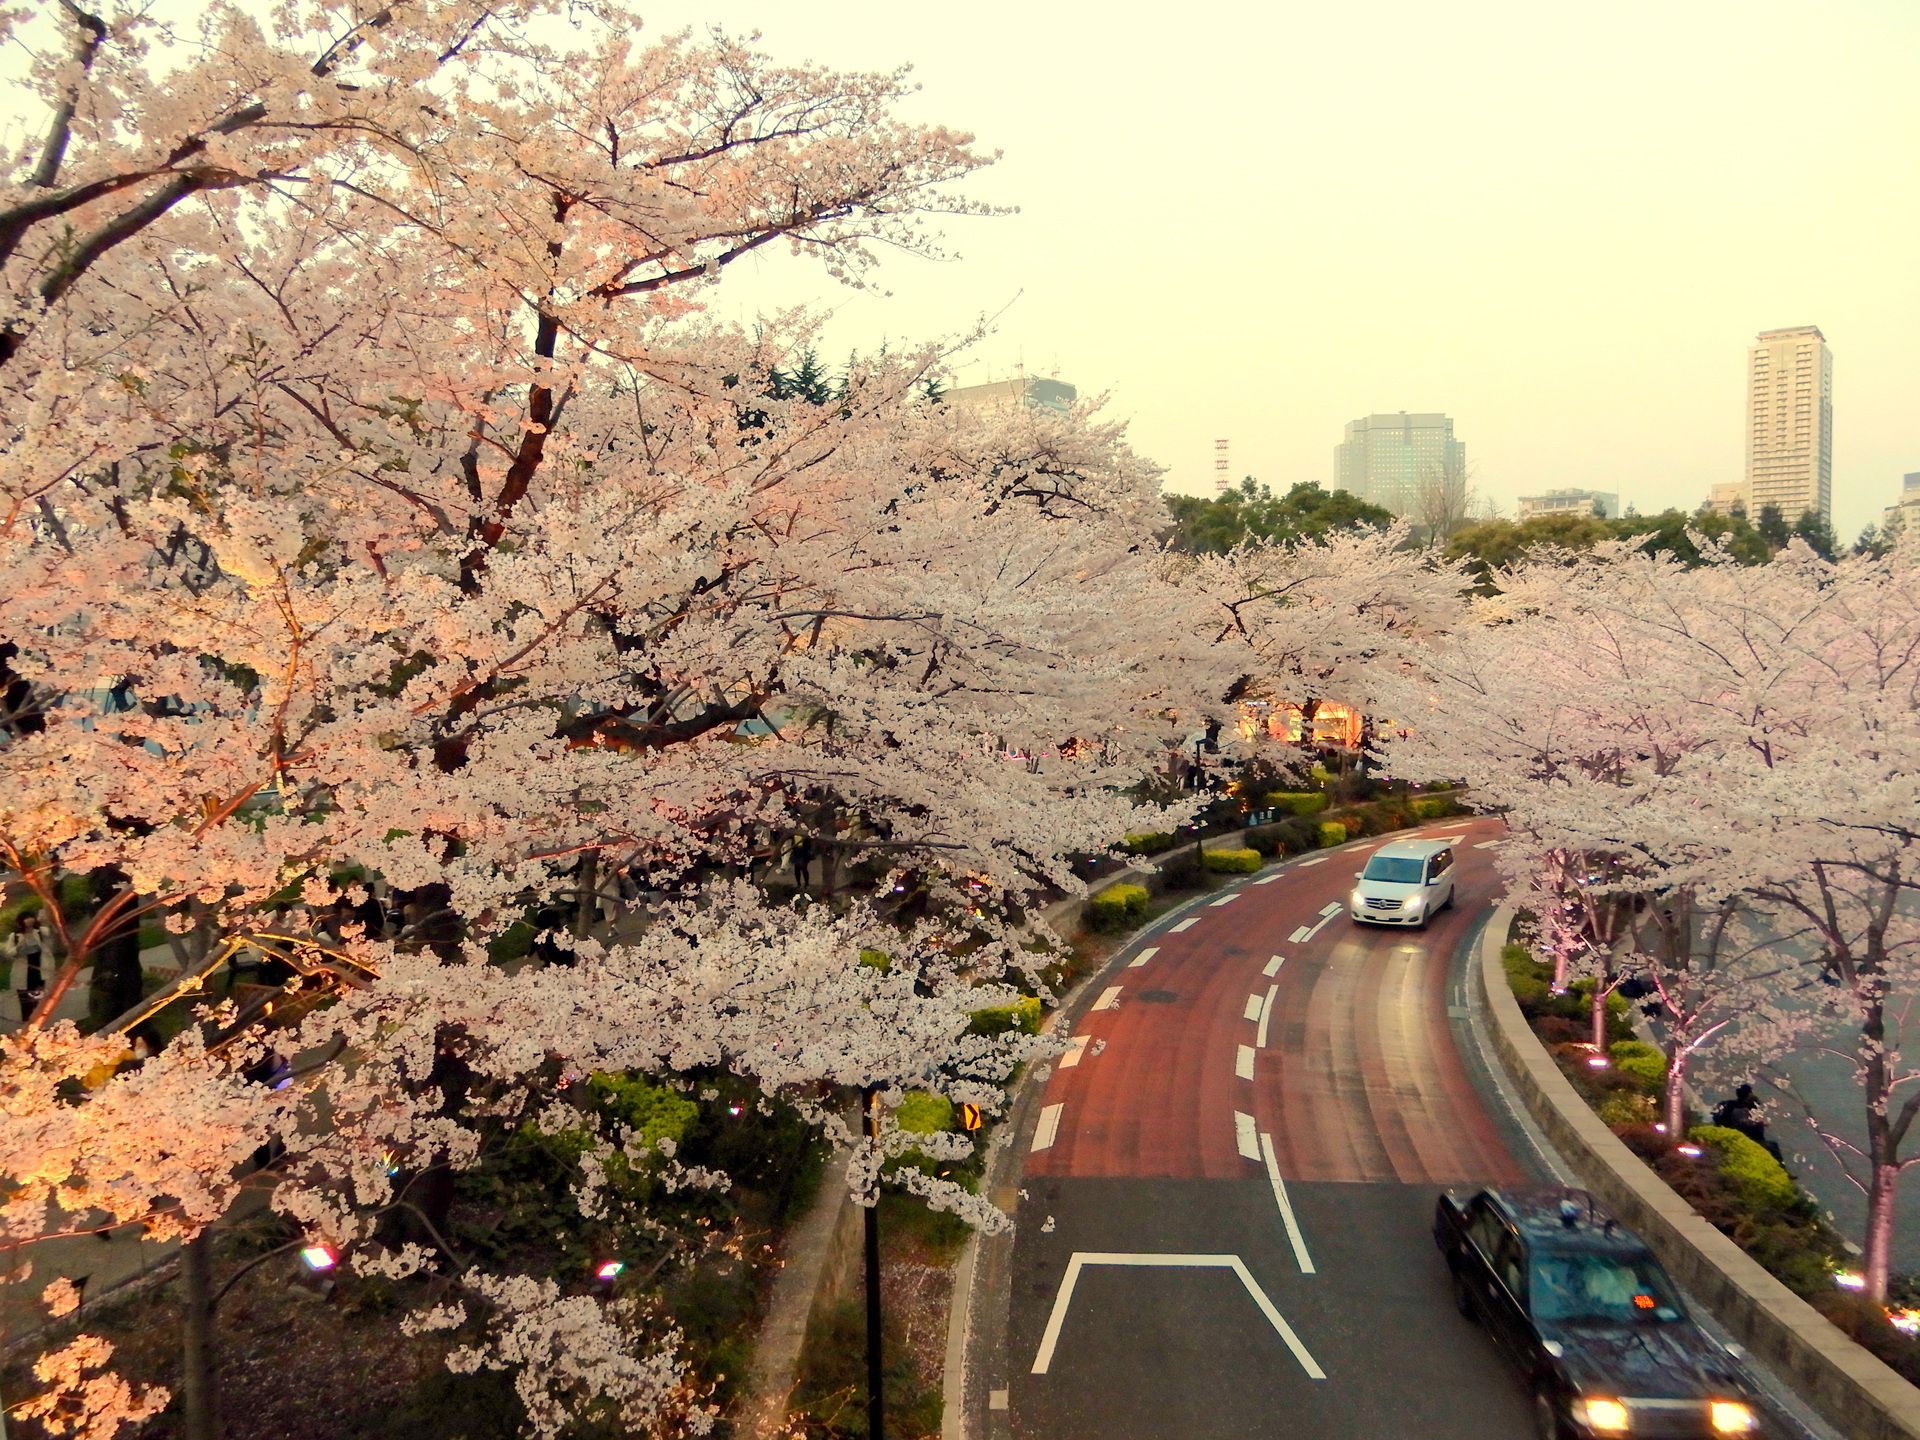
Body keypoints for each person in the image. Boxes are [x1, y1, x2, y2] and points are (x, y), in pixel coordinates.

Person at [5, 911, 49, 1022]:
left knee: (38, 1001)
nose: (29, 920)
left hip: (38, 971)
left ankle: (38, 1025)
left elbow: (51, 931)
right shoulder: (15, 936)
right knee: (25, 1002)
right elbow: (8, 953)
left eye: (31, 917)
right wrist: (18, 946)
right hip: (23, 971)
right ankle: (26, 1025)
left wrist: (45, 919)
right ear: (21, 921)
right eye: (26, 918)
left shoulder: (39, 932)